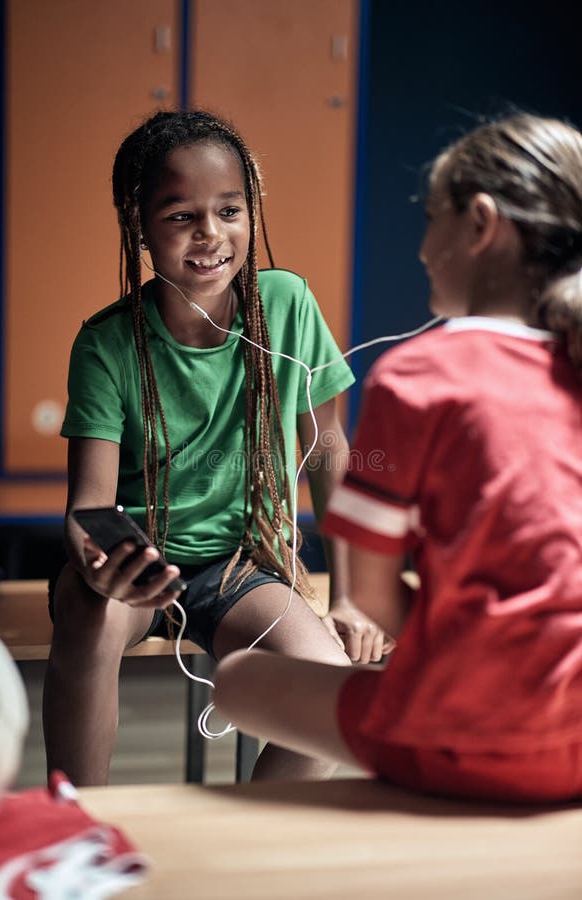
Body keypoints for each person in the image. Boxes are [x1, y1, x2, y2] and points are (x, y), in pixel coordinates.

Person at [213, 112, 582, 803]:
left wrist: (461, 654)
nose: (421, 247)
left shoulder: (416, 379)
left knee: (237, 679)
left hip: (472, 738)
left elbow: (376, 599)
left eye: (430, 218)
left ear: (479, 223)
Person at [43, 109, 386, 787]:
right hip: (139, 569)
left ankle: (240, 849)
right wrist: (99, 563)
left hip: (239, 567)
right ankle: (75, 828)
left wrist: (350, 598)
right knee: (87, 616)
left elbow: (328, 451)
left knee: (334, 692)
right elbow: (89, 505)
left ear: (249, 210)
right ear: (138, 224)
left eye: (228, 210)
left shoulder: (286, 304)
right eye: (180, 216)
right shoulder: (107, 343)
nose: (210, 235)